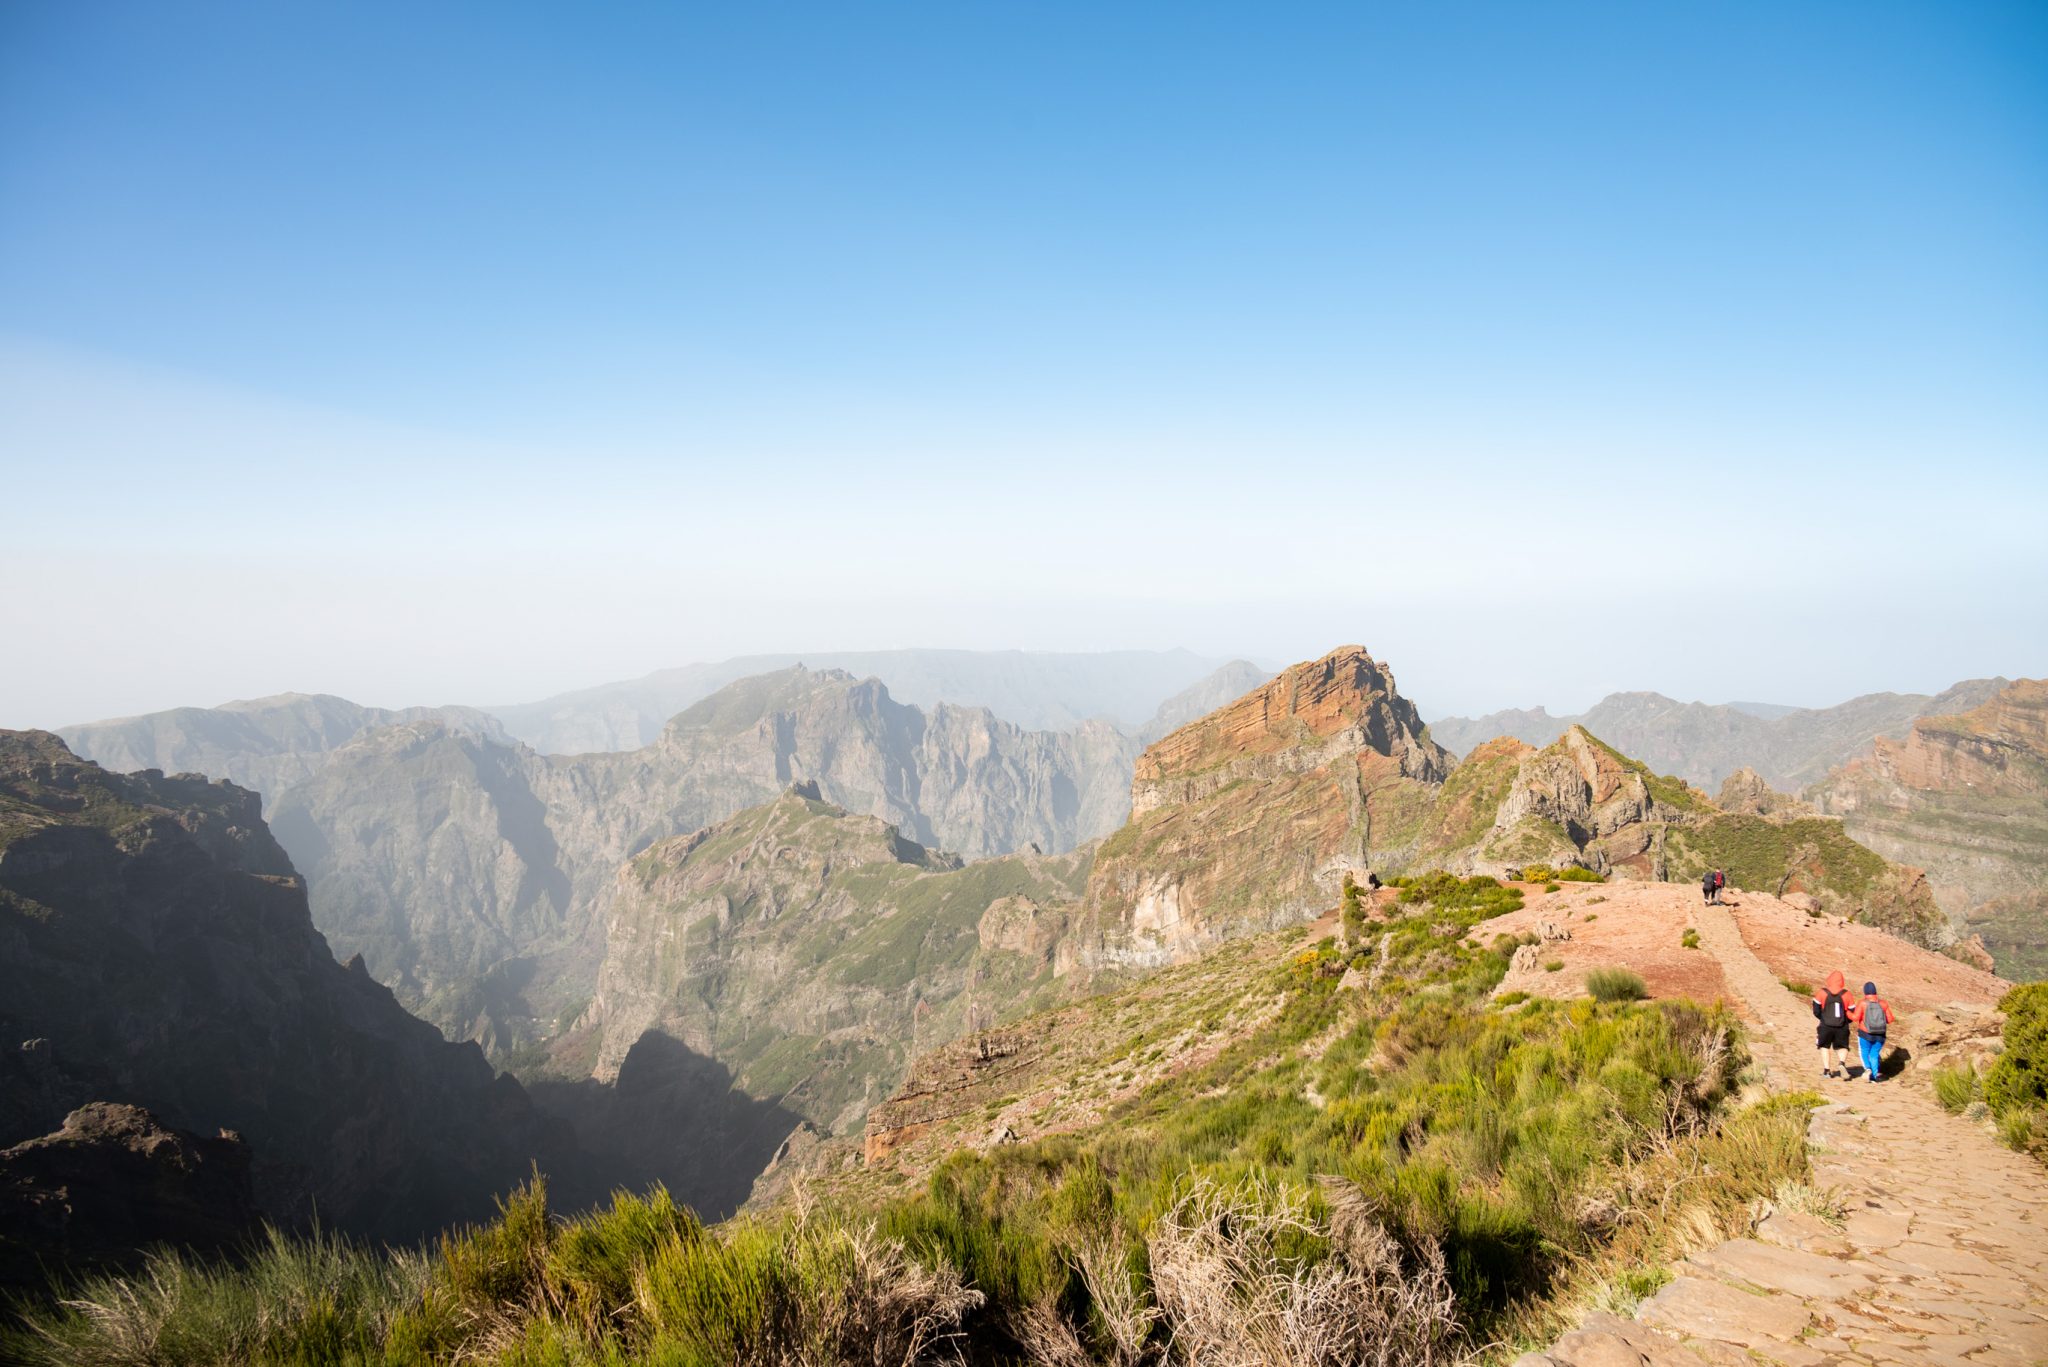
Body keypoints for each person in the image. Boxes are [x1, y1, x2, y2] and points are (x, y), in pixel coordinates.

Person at [1812, 971, 1854, 1079]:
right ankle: (1841, 1063)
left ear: (1829, 979)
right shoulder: (1847, 994)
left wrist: (1822, 1018)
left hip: (1826, 1025)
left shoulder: (1822, 992)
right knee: (1842, 1047)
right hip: (1842, 1026)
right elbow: (1851, 1012)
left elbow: (1816, 1010)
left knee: (1824, 1046)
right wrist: (1845, 1022)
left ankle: (1827, 1070)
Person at [1850, 980, 1893, 1083]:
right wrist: (1880, 1021)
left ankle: (1867, 1069)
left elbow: (1855, 1017)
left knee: (1864, 1051)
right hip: (1880, 1034)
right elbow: (1890, 1019)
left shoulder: (1863, 1003)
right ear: (1875, 992)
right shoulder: (1883, 1003)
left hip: (1865, 1033)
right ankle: (1874, 1076)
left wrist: (1847, 1013)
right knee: (1874, 1054)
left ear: (1865, 992)